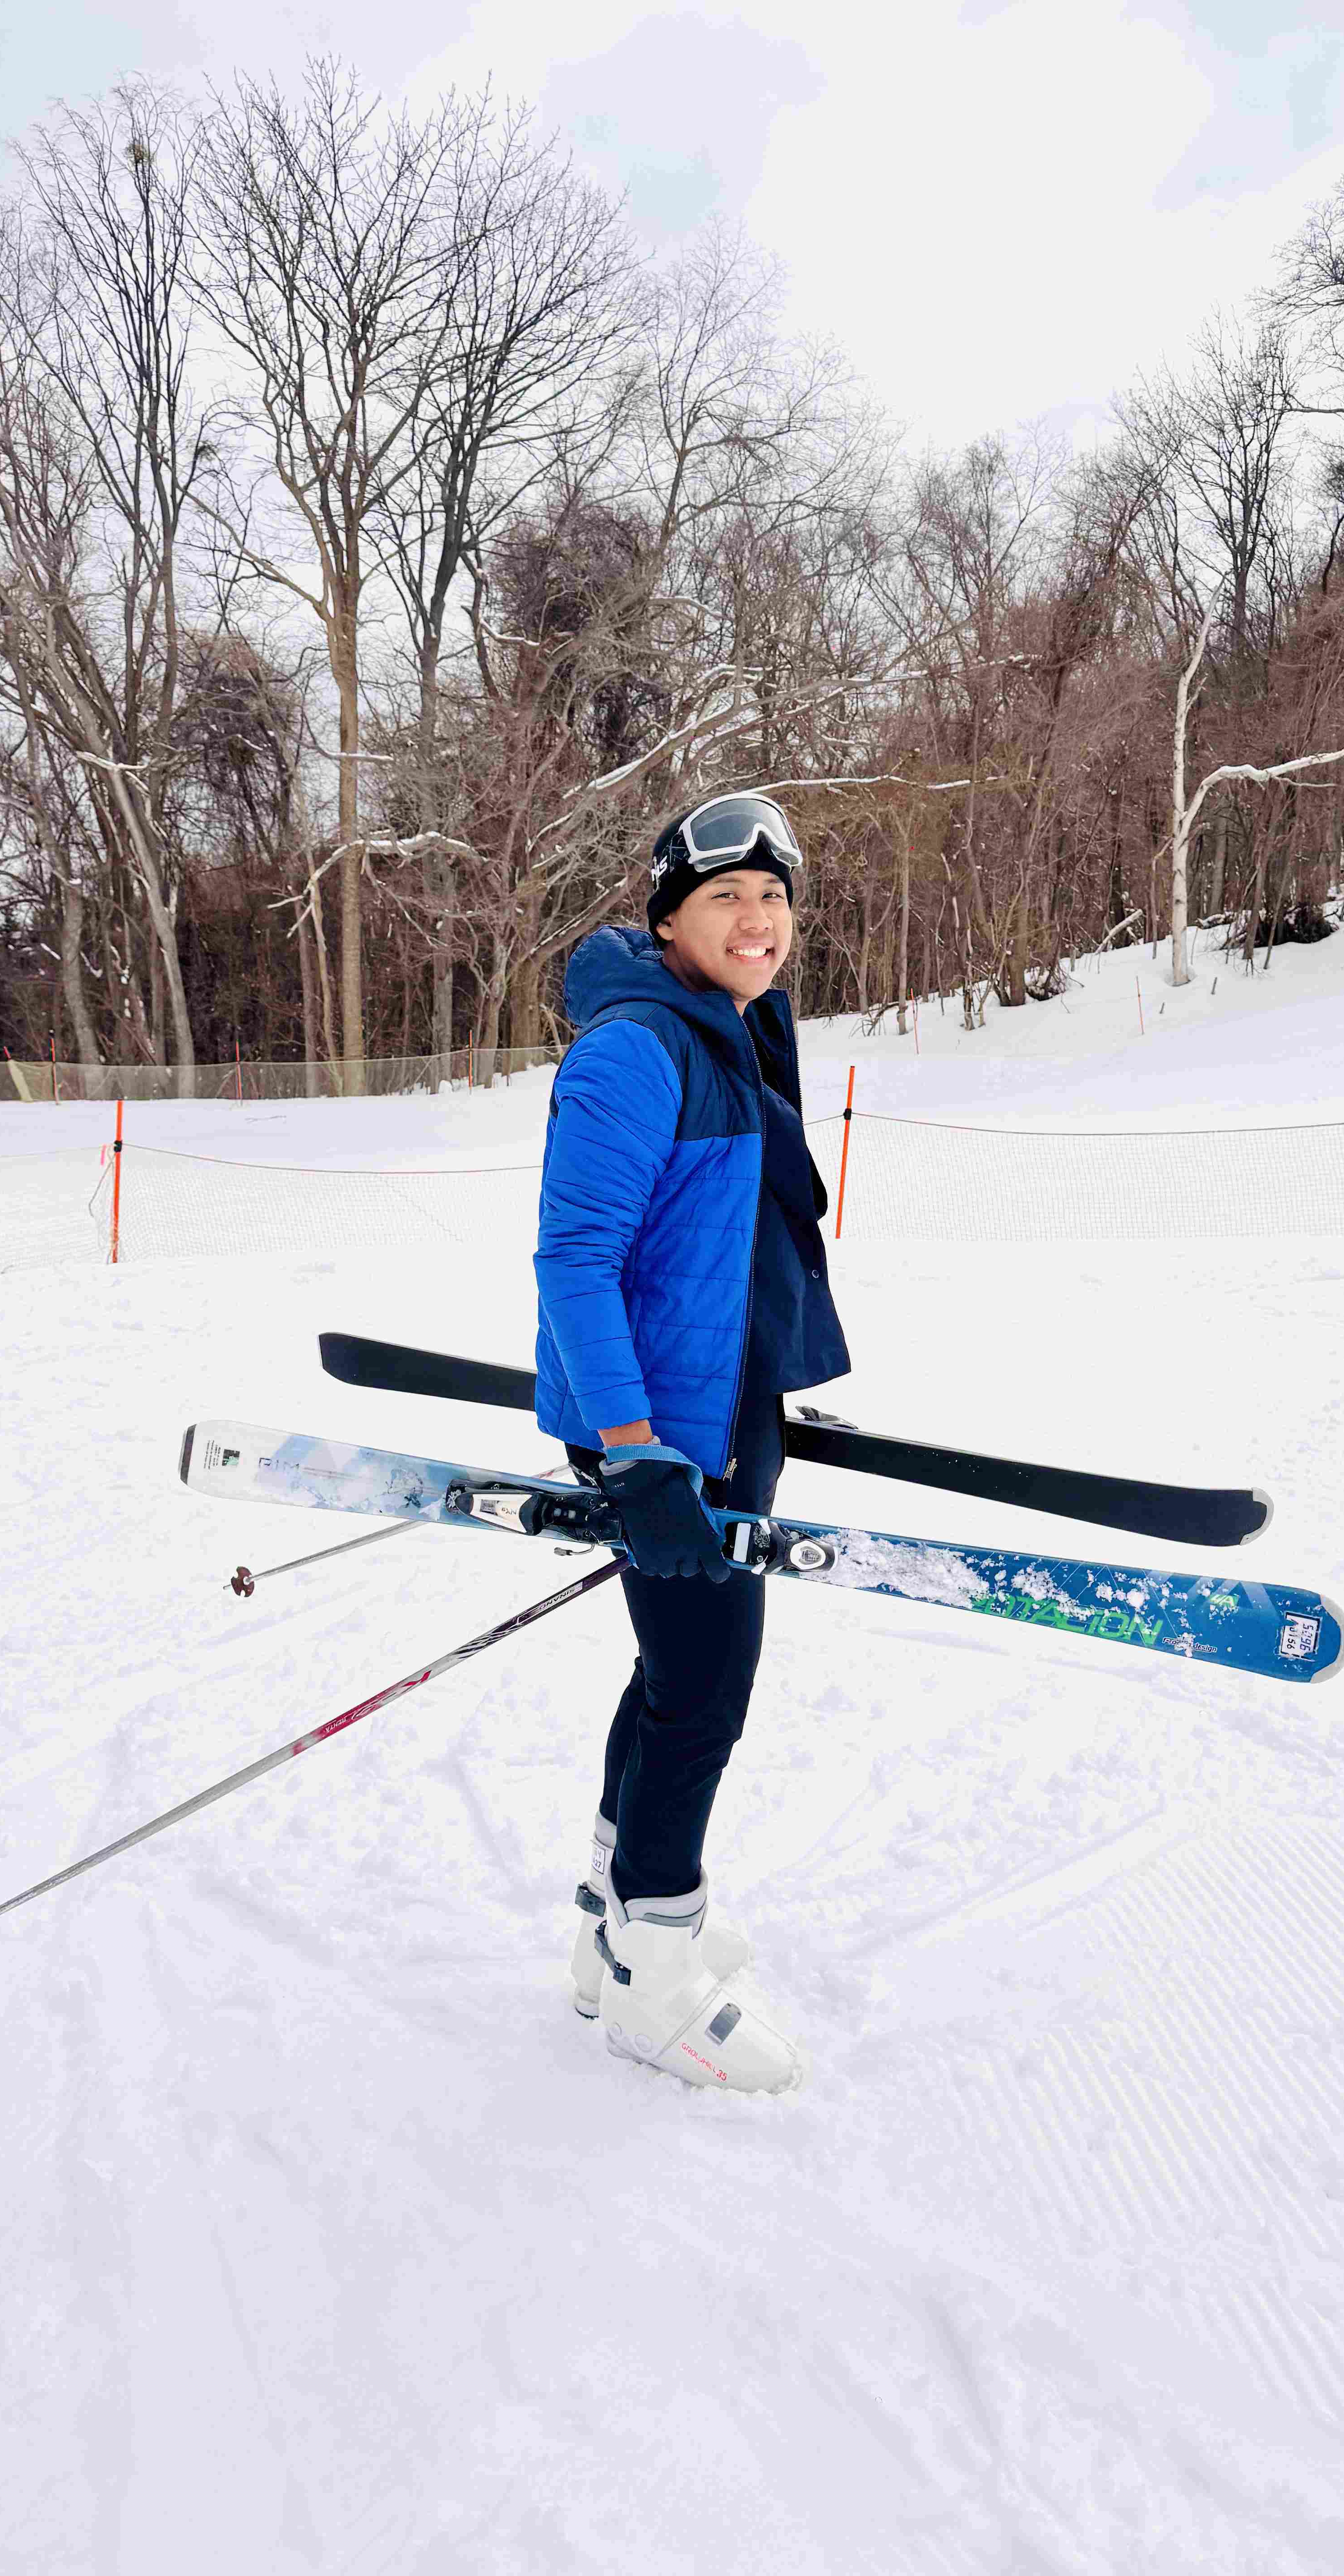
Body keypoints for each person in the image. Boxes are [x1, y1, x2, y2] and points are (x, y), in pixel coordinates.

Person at [532, 792, 851, 2093]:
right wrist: (634, 1448)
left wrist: (764, 1380)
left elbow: (724, 1245)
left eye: (772, 899)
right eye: (726, 898)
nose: (757, 921)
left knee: (671, 1681)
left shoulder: (732, 1028)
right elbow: (577, 1259)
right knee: (703, 1696)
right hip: (665, 1438)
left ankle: (614, 1919)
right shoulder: (637, 1050)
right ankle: (651, 1976)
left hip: (721, 1409)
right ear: (668, 916)